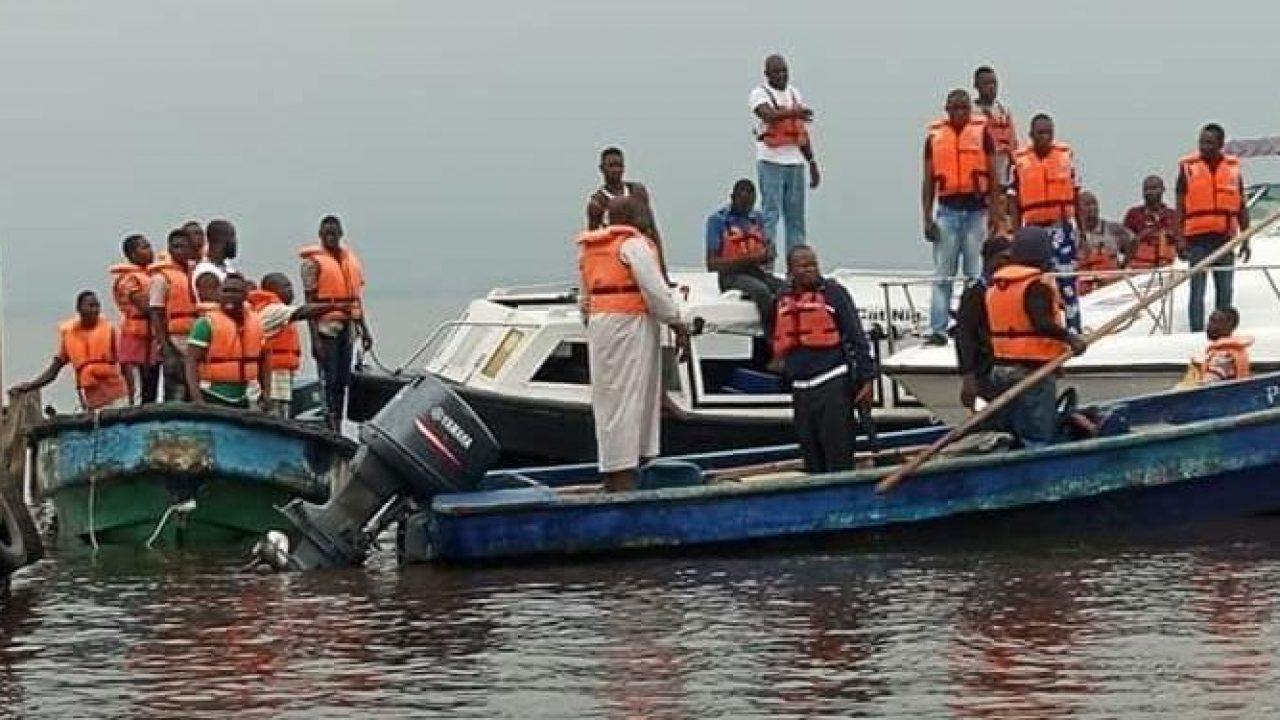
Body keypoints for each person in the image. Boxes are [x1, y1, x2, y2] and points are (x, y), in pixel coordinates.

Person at [579, 196, 687, 492]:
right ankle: (625, 479)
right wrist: (677, 323)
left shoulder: (591, 248)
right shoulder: (633, 245)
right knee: (631, 398)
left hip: (602, 324)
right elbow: (656, 291)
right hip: (630, 325)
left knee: (608, 399)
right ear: (633, 216)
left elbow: (584, 298)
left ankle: (613, 473)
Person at [772, 245, 877, 474]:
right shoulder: (782, 298)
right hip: (801, 389)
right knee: (811, 455)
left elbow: (857, 337)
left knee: (838, 454)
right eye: (803, 266)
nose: (810, 269)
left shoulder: (835, 294)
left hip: (832, 383)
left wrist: (868, 379)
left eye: (814, 264)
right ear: (790, 271)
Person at [981, 227, 1086, 447]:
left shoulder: (997, 285)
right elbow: (1041, 324)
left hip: (1001, 370)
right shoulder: (1035, 286)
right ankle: (1035, 472)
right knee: (1037, 435)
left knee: (1011, 432)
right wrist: (1071, 338)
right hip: (1030, 374)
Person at [921, 88, 999, 345]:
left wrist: (995, 213)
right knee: (943, 275)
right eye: (955, 108)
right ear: (947, 109)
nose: (960, 113)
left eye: (964, 108)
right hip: (947, 212)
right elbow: (928, 180)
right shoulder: (934, 138)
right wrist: (926, 218)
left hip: (977, 212)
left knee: (974, 275)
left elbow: (994, 175)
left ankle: (972, 328)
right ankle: (938, 329)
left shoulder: (982, 134)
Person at [1011, 114, 1084, 333]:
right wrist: (1016, 233)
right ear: (1031, 135)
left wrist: (1081, 229)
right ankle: (1041, 329)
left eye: (1049, 132)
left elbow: (1077, 194)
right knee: (1035, 282)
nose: (1045, 137)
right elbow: (1014, 201)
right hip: (1032, 231)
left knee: (1066, 279)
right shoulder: (1018, 162)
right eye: (1041, 133)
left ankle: (1073, 330)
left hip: (1061, 227)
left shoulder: (1066, 157)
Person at [300, 215, 373, 429]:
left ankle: (339, 422)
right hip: (326, 326)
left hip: (348, 325)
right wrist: (315, 340)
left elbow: (356, 299)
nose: (330, 237)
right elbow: (309, 302)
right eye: (326, 234)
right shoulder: (312, 264)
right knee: (329, 378)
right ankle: (330, 420)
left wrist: (365, 329)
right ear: (320, 235)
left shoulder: (349, 260)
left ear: (341, 234)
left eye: (334, 233)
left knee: (343, 379)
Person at [1175, 123, 1250, 332]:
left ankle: (1224, 331)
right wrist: (1179, 239)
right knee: (1197, 289)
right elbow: (1179, 207)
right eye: (1201, 142)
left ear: (1220, 144)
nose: (1203, 146)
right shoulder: (1188, 169)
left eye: (1209, 142)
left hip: (1225, 238)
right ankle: (1197, 331)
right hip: (1197, 240)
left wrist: (1245, 238)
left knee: (1225, 289)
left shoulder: (1233, 170)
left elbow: (1241, 205)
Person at [9, 291, 131, 411]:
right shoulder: (69, 336)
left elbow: (126, 365)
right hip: (91, 402)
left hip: (117, 397)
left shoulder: (110, 330)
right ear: (79, 309)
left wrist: (132, 398)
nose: (95, 310)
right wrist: (30, 386)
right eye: (90, 306)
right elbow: (53, 371)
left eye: (97, 306)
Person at [248, 273, 347, 417]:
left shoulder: (276, 310)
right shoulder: (272, 310)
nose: (291, 291)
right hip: (272, 381)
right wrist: (333, 306)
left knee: (283, 415)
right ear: (271, 289)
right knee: (274, 417)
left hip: (282, 379)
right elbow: (303, 311)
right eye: (286, 287)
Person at [750, 54, 819, 253]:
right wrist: (794, 113)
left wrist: (812, 162)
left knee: (796, 216)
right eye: (776, 72)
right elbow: (768, 115)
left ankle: (796, 263)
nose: (781, 75)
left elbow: (801, 131)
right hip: (770, 160)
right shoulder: (759, 94)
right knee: (770, 213)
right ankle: (767, 262)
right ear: (767, 74)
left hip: (795, 162)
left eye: (784, 71)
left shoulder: (794, 94)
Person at [704, 178, 784, 337]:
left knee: (787, 288)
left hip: (756, 272)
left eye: (750, 204)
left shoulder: (757, 219)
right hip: (731, 276)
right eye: (742, 203)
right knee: (761, 292)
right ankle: (771, 337)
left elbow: (767, 246)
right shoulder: (717, 221)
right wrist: (750, 259)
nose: (746, 208)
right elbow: (712, 264)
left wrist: (768, 254)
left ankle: (789, 334)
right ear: (732, 197)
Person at [185, 273, 268, 408]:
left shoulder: (256, 322)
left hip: (245, 395)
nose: (229, 295)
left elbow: (264, 361)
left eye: (235, 292)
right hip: (212, 394)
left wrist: (266, 393)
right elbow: (191, 361)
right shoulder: (205, 323)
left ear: (245, 295)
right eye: (225, 291)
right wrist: (197, 400)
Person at [954, 236, 1013, 411]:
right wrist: (968, 378)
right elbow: (964, 337)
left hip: (1007, 370)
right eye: (1004, 258)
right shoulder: (975, 294)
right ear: (989, 259)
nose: (1008, 263)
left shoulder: (1008, 291)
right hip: (983, 373)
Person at [149, 228, 200, 401]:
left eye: (184, 247)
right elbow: (155, 313)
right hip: (175, 339)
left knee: (196, 388)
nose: (180, 251)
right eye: (176, 247)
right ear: (170, 250)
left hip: (197, 338)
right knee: (175, 389)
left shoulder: (198, 274)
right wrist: (166, 348)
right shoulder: (161, 278)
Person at [109, 234, 160, 404]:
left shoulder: (154, 275)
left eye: (149, 246)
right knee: (138, 389)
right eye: (144, 247)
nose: (150, 251)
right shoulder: (129, 279)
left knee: (153, 387)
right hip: (135, 337)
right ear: (132, 254)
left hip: (153, 337)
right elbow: (146, 305)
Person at [973, 66, 1018, 233]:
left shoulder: (1003, 111)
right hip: (980, 185)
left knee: (1004, 230)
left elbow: (1014, 145)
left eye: (994, 83)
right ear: (976, 85)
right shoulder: (971, 113)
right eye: (986, 83)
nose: (991, 87)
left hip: (1004, 184)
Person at [1075, 191, 1132, 295]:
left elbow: (1133, 241)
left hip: (1112, 287)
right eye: (1087, 204)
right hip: (1085, 292)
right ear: (1078, 210)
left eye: (1094, 203)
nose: (1092, 207)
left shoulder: (1113, 228)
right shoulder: (1073, 236)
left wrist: (1123, 267)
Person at [1122, 175, 1179, 271]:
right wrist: (1141, 237)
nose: (1149, 192)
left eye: (1153, 188)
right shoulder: (1133, 214)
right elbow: (1123, 246)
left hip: (1170, 267)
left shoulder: (1173, 215)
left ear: (1163, 189)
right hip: (1139, 269)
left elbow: (1184, 243)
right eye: (1146, 189)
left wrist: (1172, 237)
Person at [1199, 307, 1251, 384]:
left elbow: (1207, 383)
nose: (1209, 325)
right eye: (1210, 320)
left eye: (1215, 321)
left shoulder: (1224, 356)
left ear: (1230, 326)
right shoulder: (1237, 350)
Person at [193, 219, 239, 302]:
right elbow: (216, 304)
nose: (235, 242)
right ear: (220, 240)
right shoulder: (206, 273)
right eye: (232, 238)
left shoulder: (227, 266)